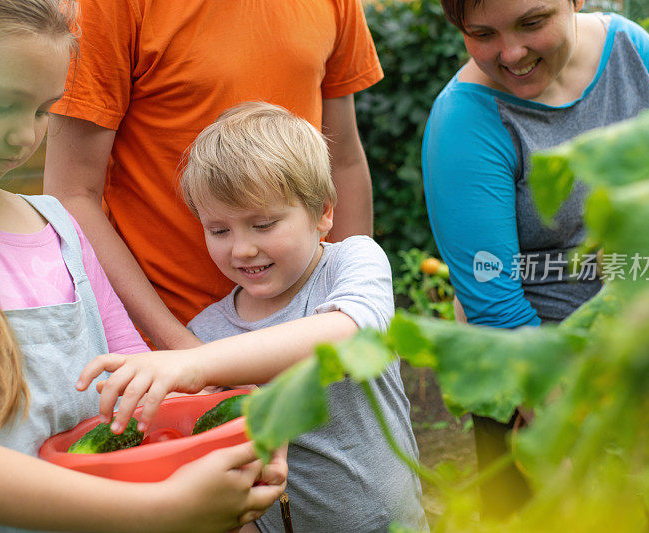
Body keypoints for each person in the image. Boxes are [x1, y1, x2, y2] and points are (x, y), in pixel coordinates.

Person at [0, 2, 285, 531]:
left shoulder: (57, 227)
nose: (24, 137)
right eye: (0, 103)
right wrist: (163, 511)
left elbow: (134, 378)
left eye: (41, 111)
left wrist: (236, 426)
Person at [77, 102, 428, 533]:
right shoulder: (207, 332)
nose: (241, 249)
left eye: (263, 224)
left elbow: (349, 336)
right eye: (219, 230)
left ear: (323, 212)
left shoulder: (351, 263)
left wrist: (195, 363)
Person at [421, 0, 649, 518]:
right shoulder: (464, 121)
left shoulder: (632, 52)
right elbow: (495, 302)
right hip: (538, 376)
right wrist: (559, 425)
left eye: (532, 22)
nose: (512, 52)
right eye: (483, 33)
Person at [43, 0, 383, 351]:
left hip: (311, 333)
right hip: (171, 341)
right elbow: (71, 194)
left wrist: (343, 300)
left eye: (263, 225)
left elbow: (341, 160)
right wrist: (189, 354)